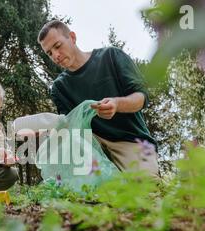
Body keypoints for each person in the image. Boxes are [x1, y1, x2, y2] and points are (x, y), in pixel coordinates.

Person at [37, 20, 159, 177]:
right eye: (49, 53)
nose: (55, 56)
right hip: (91, 146)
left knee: (147, 189)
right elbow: (69, 125)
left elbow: (141, 97)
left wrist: (117, 104)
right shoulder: (59, 87)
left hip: (131, 141)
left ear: (72, 37)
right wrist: (48, 131)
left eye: (58, 46)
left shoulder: (111, 56)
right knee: (87, 195)